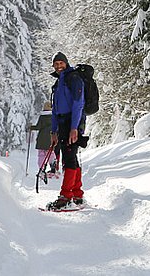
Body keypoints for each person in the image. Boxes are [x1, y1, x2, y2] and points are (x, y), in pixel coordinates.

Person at [46, 52, 88, 210]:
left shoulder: (74, 78)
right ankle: (77, 195)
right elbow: (55, 110)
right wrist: (53, 131)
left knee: (69, 158)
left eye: (61, 63)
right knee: (71, 157)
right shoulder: (58, 83)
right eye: (55, 64)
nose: (58, 66)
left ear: (66, 63)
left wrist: (74, 128)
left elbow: (78, 104)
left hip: (73, 122)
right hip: (63, 124)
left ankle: (66, 197)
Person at [28, 101, 59, 175]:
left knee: (41, 154)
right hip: (51, 137)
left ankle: (41, 169)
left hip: (41, 138)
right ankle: (53, 165)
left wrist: (31, 127)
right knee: (50, 152)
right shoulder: (54, 117)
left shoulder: (42, 117)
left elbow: (38, 127)